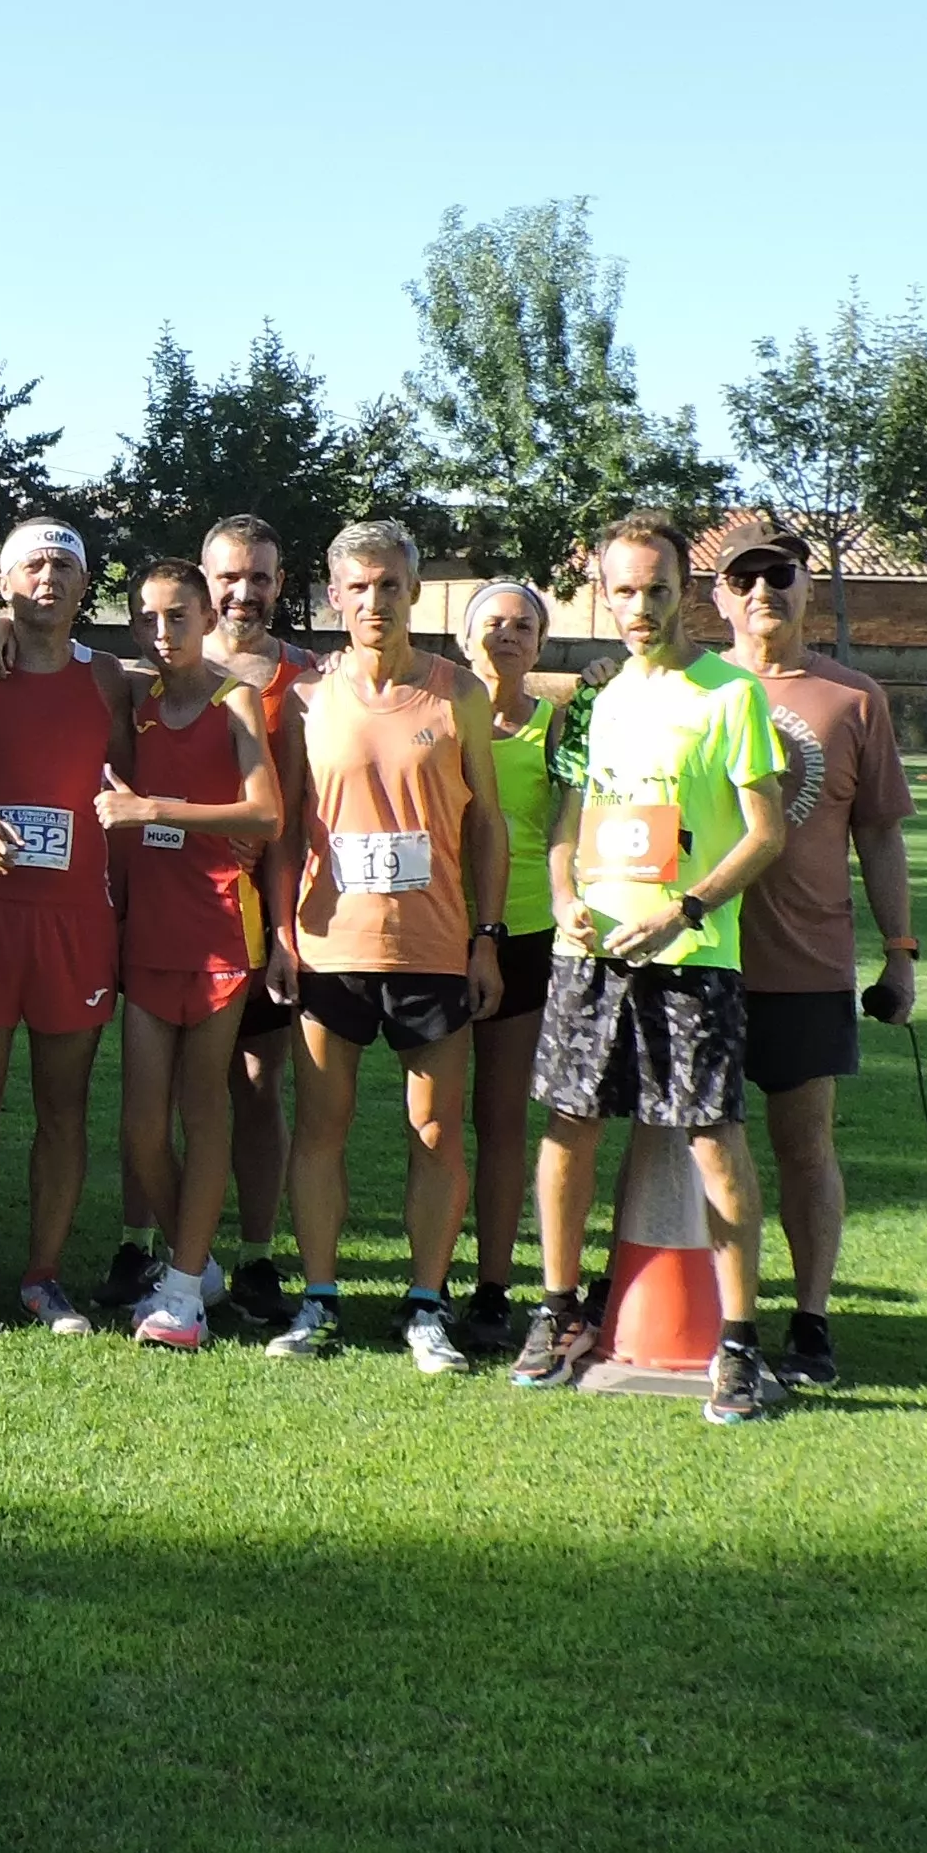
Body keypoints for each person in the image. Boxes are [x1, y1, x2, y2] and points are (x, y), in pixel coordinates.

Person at [510, 513, 794, 1425]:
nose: (639, 606)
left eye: (656, 588)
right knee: (568, 1127)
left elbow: (765, 832)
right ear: (603, 593)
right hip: (588, 953)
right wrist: (564, 896)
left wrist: (686, 910)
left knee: (713, 1138)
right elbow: (568, 821)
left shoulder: (730, 694)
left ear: (684, 590)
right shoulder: (592, 698)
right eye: (623, 590)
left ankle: (737, 1343)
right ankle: (558, 1311)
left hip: (692, 956)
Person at [272, 521, 509, 1373]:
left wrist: (486, 938)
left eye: (389, 585)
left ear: (412, 591)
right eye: (359, 587)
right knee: (319, 1127)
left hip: (433, 947)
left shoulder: (458, 694)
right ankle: (319, 1295)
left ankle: (424, 1303)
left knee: (435, 1131)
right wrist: (279, 934)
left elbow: (487, 824)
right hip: (328, 947)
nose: (375, 601)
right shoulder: (306, 696)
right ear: (335, 595)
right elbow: (284, 827)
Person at [713, 525, 919, 1390]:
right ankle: (713, 1320)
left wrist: (898, 953)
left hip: (807, 963)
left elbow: (878, 834)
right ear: (718, 596)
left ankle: (809, 1320)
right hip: (701, 959)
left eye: (779, 574)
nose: (762, 590)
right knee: (693, 1148)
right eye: (743, 577)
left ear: (807, 586)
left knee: (804, 1146)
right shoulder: (690, 687)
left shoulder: (852, 697)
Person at [0, 518, 135, 1337]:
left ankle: (45, 1277)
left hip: (76, 920)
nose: (47, 577)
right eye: (31, 565)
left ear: (83, 586)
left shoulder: (108, 676)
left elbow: (130, 781)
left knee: (63, 1103)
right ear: (4, 582)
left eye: (62, 566)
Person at [95, 559, 279, 1349]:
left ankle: (180, 1296)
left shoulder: (235, 699)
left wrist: (153, 809)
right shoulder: (134, 698)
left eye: (177, 615)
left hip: (217, 931)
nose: (162, 631)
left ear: (207, 617)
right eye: (146, 618)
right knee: (141, 1126)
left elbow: (264, 813)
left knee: (202, 1109)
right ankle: (192, 1265)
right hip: (146, 934)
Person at [178, 511, 321, 1326]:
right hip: (174, 912)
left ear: (279, 582)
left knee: (258, 1086)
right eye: (228, 576)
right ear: (204, 580)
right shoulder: (163, 666)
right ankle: (152, 1245)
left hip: (268, 915)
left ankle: (258, 1254)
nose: (243, 591)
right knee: (170, 1086)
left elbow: (305, 810)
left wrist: (285, 924)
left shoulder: (307, 681)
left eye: (259, 576)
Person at [458, 580, 578, 1352]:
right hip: (439, 931)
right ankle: (426, 1283)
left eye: (522, 625)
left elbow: (575, 819)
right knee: (434, 1123)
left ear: (538, 643)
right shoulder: (438, 713)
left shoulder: (553, 724)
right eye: (493, 622)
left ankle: (492, 1287)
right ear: (462, 636)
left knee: (499, 1120)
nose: (506, 634)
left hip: (527, 935)